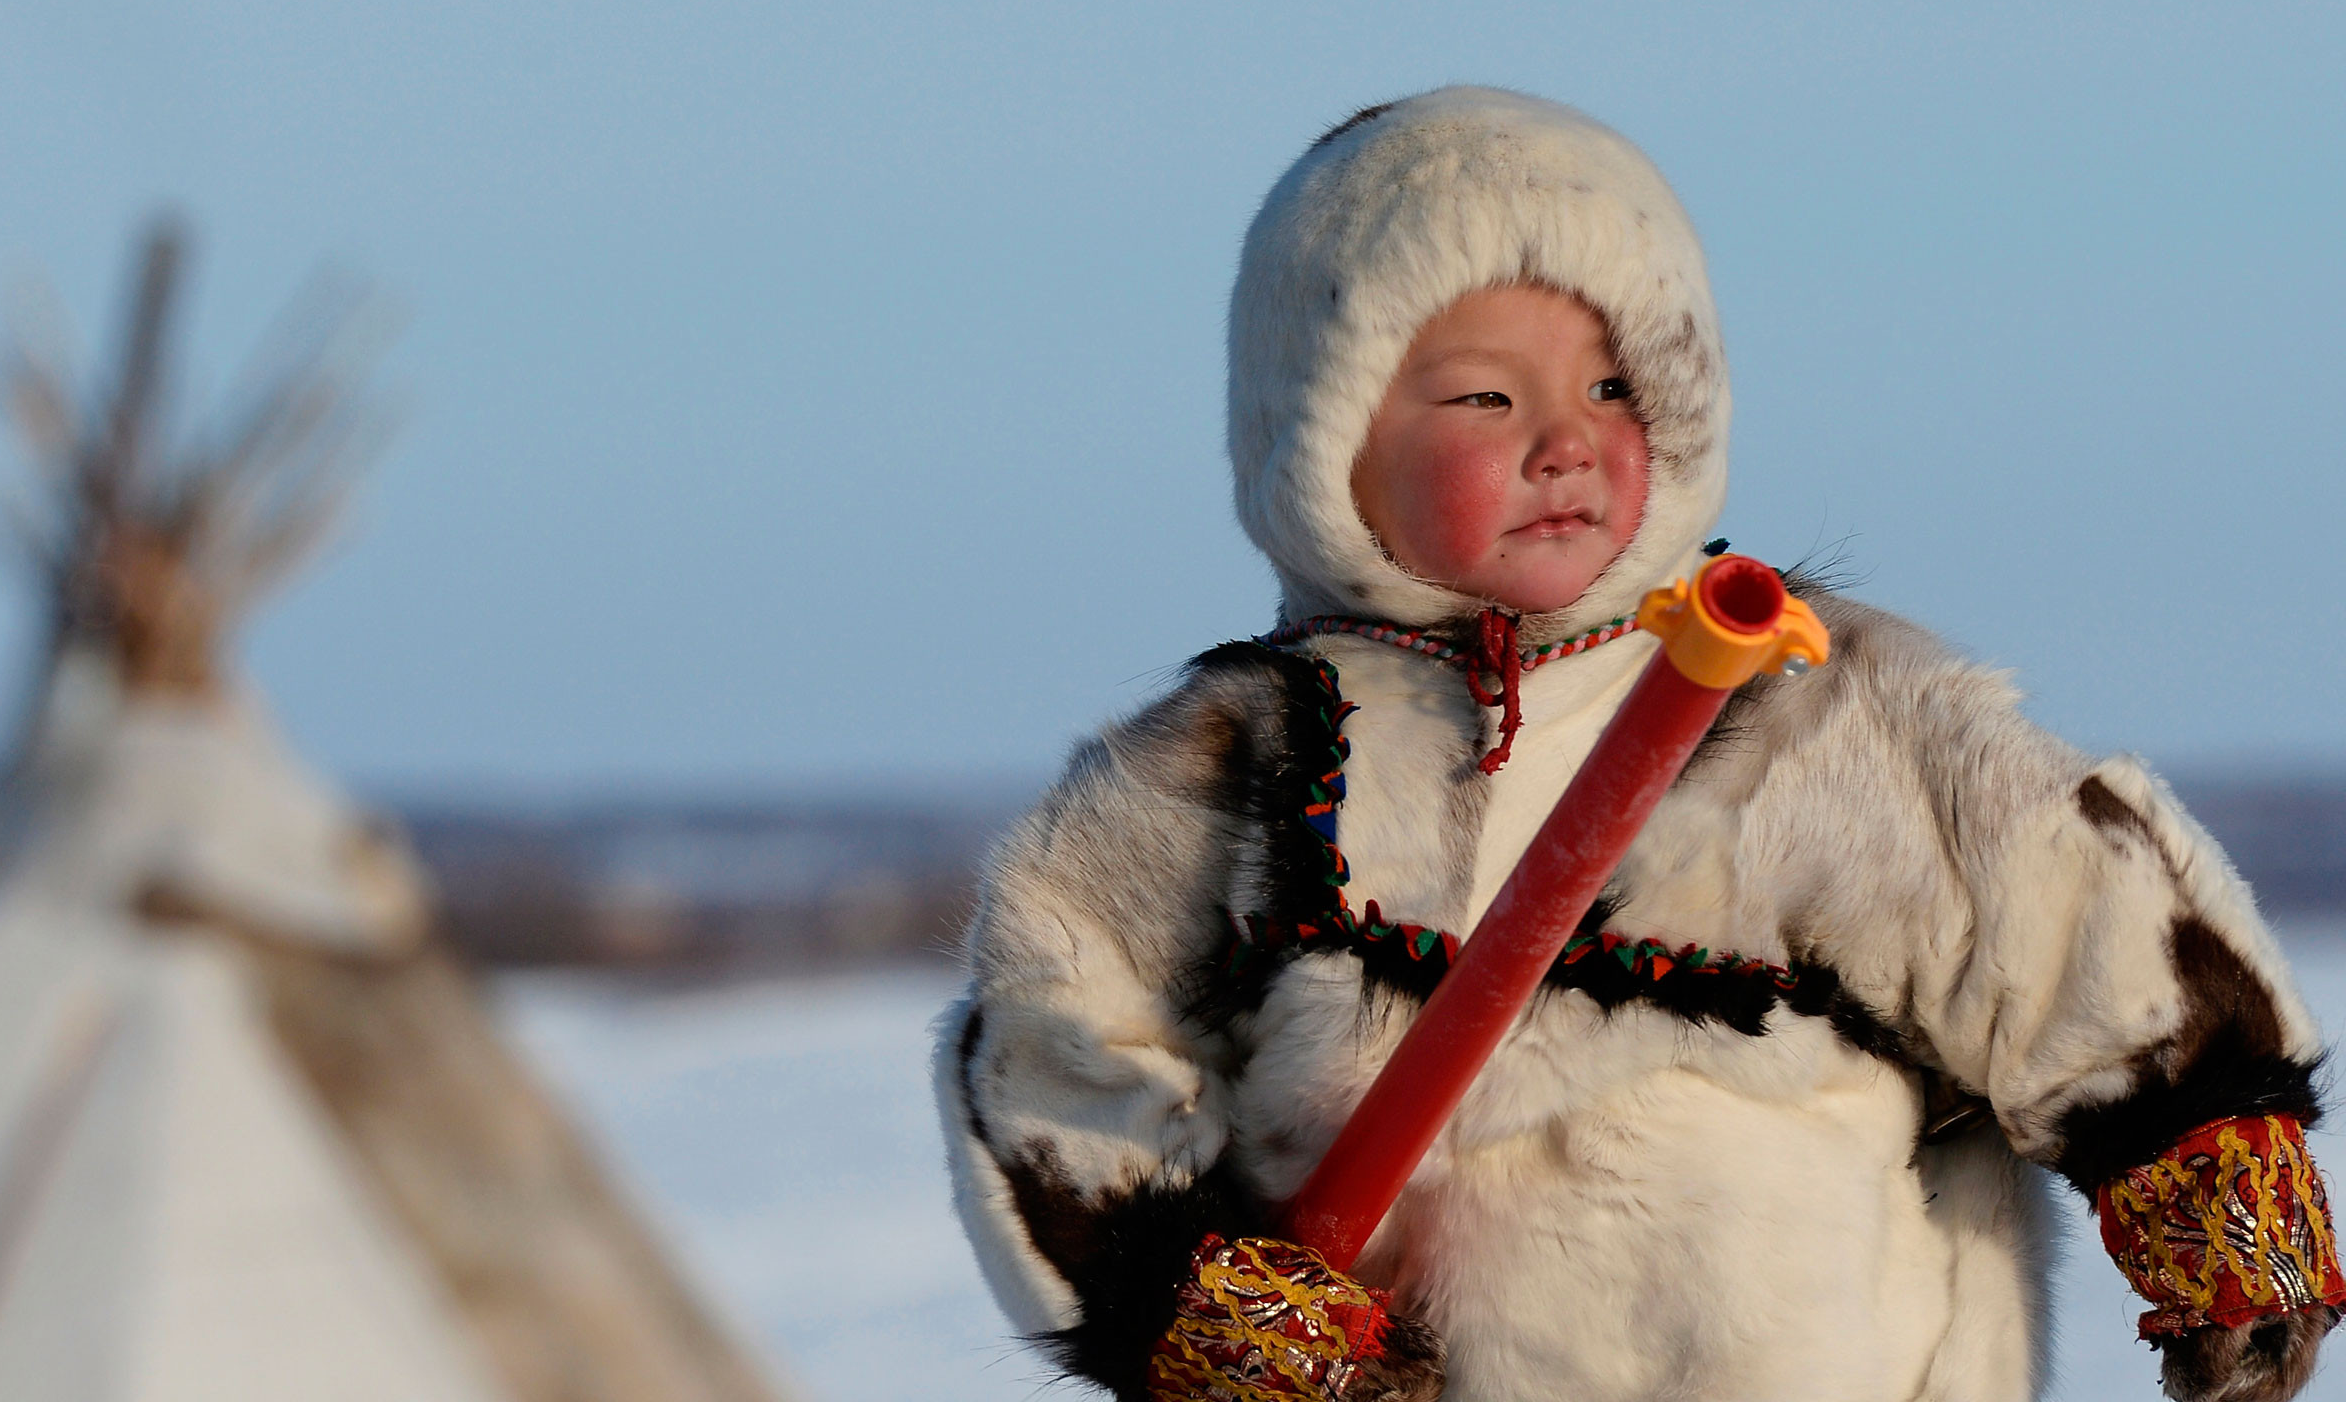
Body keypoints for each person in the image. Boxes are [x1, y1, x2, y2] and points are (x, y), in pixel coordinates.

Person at [933, 87, 2345, 1402]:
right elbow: (1055, 1044)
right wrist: (1199, 1305)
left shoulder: (1813, 707)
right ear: (1318, 438)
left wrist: (2212, 1170)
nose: (1567, 441)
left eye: (1615, 387)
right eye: (1486, 399)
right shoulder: (1230, 766)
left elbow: (2052, 912)